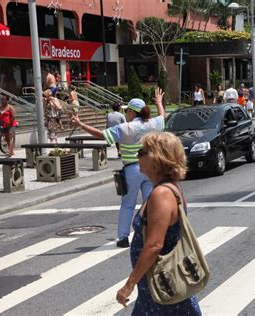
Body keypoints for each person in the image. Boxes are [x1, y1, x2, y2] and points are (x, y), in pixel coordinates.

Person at [116, 131, 201, 315]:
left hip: (163, 286)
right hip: (156, 286)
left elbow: (154, 245)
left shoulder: (161, 194)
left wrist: (129, 285)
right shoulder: (165, 188)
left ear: (157, 158)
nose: (137, 155)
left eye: (142, 152)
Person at [71, 88, 165, 248]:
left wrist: (81, 124)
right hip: (150, 168)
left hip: (132, 169)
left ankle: (123, 237)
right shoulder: (152, 124)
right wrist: (159, 102)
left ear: (132, 112)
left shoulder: (125, 128)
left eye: (127, 110)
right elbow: (163, 116)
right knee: (150, 203)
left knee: (128, 204)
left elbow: (101, 135)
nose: (126, 113)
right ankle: (150, 233)